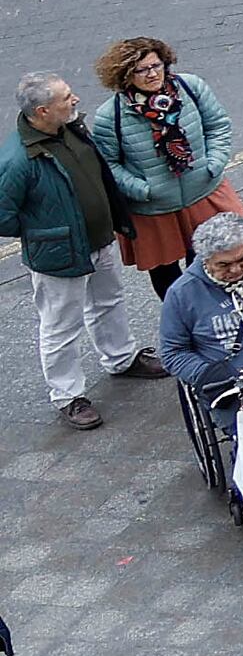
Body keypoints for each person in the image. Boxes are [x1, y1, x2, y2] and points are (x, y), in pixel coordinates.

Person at [10, 79, 152, 434]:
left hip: (99, 240)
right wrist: (45, 232)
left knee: (109, 301)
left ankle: (121, 357)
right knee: (60, 326)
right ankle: (67, 395)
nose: (75, 98)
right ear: (42, 111)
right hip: (59, 254)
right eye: (65, 97)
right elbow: (4, 215)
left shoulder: (70, 127)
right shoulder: (18, 159)